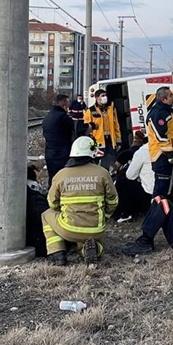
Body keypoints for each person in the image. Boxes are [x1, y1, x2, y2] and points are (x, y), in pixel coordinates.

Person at [41, 136, 118, 266]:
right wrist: (104, 217)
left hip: (69, 229)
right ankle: (93, 249)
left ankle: (57, 252)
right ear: (92, 153)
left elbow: (52, 203)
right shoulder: (102, 173)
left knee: (46, 215)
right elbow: (113, 200)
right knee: (88, 241)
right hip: (96, 229)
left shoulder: (61, 175)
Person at [146, 87, 173, 199]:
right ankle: (156, 212)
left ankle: (161, 211)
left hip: (164, 154)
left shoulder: (165, 111)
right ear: (163, 99)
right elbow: (160, 136)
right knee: (160, 189)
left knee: (164, 188)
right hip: (161, 155)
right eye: (170, 96)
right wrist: (170, 153)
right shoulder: (159, 113)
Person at [42, 94, 76, 187]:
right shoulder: (62, 117)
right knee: (63, 179)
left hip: (50, 153)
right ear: (64, 104)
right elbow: (77, 129)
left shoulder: (47, 117)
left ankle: (51, 198)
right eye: (68, 104)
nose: (69, 107)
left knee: (53, 178)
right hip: (62, 154)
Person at [84, 89, 121, 165]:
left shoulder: (111, 109)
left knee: (111, 162)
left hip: (110, 141)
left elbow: (116, 125)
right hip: (97, 142)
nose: (105, 97)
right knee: (97, 163)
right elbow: (86, 127)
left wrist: (118, 140)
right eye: (103, 96)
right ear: (97, 98)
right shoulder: (91, 110)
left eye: (105, 95)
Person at [26, 164, 49, 257]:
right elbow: (43, 215)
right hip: (38, 243)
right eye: (38, 179)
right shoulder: (34, 196)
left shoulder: (23, 193)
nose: (40, 182)